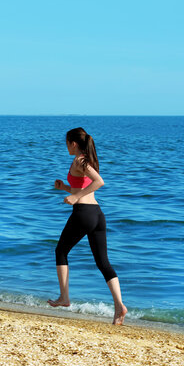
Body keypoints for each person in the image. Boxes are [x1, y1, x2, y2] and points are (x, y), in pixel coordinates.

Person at [48, 127, 128, 325]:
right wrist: (65, 188)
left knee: (61, 251)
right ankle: (119, 306)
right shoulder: (87, 159)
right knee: (103, 262)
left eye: (67, 143)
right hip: (97, 215)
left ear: (73, 143)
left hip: (83, 214)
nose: (66, 146)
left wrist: (75, 196)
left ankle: (64, 297)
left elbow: (99, 182)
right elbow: (83, 186)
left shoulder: (80, 160)